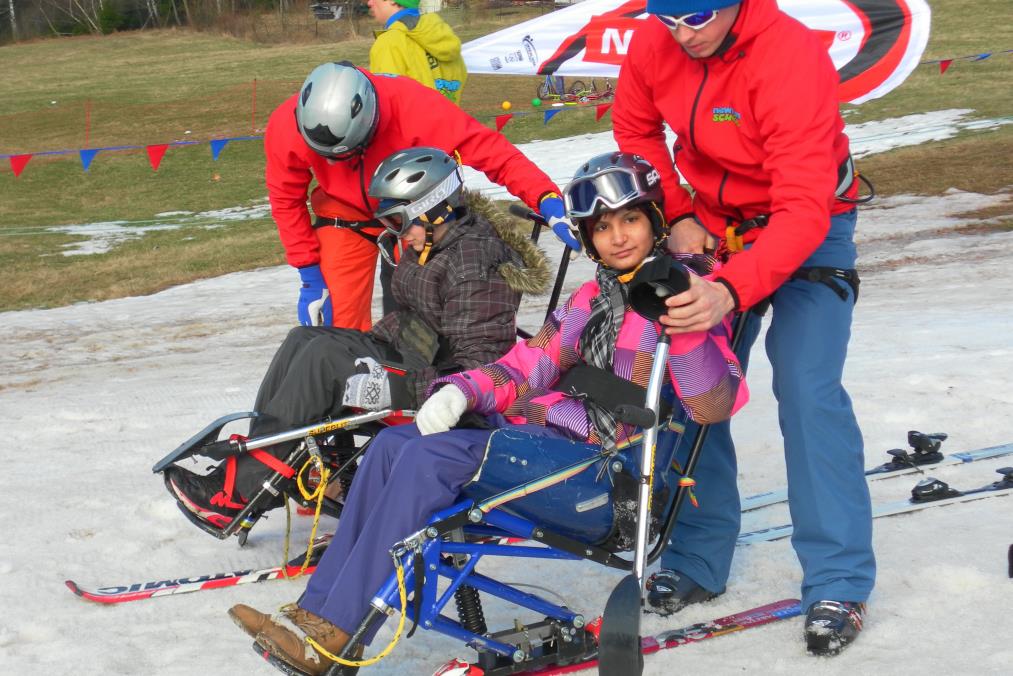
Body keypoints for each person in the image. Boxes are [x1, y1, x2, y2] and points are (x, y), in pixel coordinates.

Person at [225, 152, 749, 676]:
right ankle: (318, 619)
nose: (618, 237)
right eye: (603, 226)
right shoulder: (589, 300)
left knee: (430, 461)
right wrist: (460, 391)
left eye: (630, 219)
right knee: (391, 447)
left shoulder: (692, 300)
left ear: (655, 221)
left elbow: (710, 405)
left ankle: (335, 635)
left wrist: (684, 323)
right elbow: (525, 367)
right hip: (550, 450)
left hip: (606, 481)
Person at [611, 0, 873, 656]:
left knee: (807, 389)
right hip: (710, 224)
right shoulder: (653, 44)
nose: (680, 32)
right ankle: (698, 558)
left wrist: (729, 291)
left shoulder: (787, 57)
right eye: (666, 16)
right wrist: (675, 214)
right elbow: (635, 131)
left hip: (809, 229)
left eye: (696, 17)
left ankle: (837, 581)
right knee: (692, 388)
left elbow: (802, 206)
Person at [164, 147, 550, 530]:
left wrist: (371, 372)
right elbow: (416, 317)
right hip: (413, 355)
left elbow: (479, 361)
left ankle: (236, 495)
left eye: (400, 220)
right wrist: (363, 347)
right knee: (305, 340)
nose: (397, 231)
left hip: (443, 386)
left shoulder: (474, 264)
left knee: (324, 362)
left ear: (434, 208)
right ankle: (256, 474)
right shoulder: (438, 242)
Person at [265, 62, 579, 331]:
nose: (335, 164)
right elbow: (285, 199)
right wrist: (308, 273)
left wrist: (545, 197)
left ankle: (418, 393)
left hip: (413, 208)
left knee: (422, 315)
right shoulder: (285, 125)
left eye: (346, 155)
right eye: (327, 158)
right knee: (336, 321)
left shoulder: (416, 108)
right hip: (342, 212)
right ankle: (354, 398)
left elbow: (491, 151)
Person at [367, 0, 467, 104]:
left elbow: (387, 99)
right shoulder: (442, 35)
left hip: (412, 120)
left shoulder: (388, 43)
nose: (369, 3)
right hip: (452, 118)